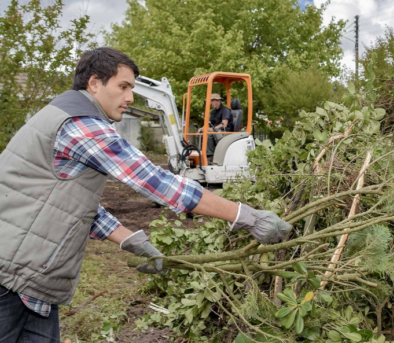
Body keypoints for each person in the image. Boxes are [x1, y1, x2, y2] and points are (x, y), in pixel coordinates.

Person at [0, 47, 291, 343]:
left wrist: (131, 240)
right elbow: (155, 181)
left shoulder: (64, 114)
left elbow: (73, 204)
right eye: (123, 87)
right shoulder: (82, 125)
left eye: (132, 89)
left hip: (31, 284)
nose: (130, 98)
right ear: (94, 83)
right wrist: (247, 217)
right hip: (10, 278)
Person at [197, 93, 234, 157]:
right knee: (199, 133)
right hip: (216, 131)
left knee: (208, 134)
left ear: (218, 100)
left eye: (212, 101)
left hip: (225, 131)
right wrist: (202, 128)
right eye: (210, 101)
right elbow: (209, 122)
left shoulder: (225, 110)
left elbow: (224, 125)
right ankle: (201, 152)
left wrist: (212, 129)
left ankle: (210, 155)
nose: (211, 103)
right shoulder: (213, 111)